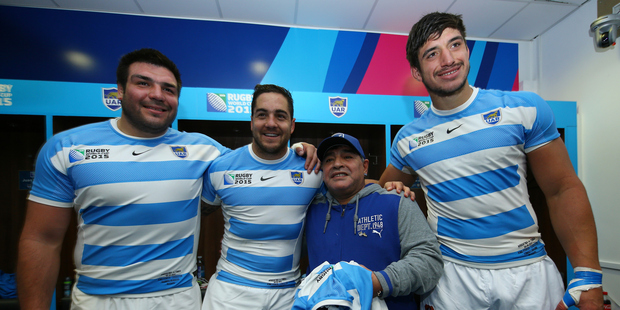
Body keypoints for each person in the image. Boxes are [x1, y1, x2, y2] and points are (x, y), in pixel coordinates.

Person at [16, 49, 318, 310]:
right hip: (99, 298)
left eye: (168, 89)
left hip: (177, 298)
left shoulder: (204, 150)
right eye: (143, 83)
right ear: (119, 89)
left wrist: (301, 150)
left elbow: (257, 161)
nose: (157, 95)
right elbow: (41, 240)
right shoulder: (65, 148)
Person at [378, 12, 603, 310]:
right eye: (433, 53)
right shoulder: (408, 139)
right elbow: (383, 196)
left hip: (528, 273)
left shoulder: (523, 108)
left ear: (467, 51)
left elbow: (562, 189)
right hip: (451, 278)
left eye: (455, 45)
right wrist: (398, 191)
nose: (448, 59)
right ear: (417, 71)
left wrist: (588, 275)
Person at [200, 84, 324, 310]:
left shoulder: (312, 170)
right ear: (251, 121)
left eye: (280, 116)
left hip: (287, 294)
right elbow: (194, 212)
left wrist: (389, 186)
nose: (271, 123)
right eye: (262, 115)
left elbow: (350, 190)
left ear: (292, 125)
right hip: (229, 293)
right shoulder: (220, 168)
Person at [302, 133, 443, 310]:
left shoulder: (397, 201)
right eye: (329, 160)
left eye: (348, 157)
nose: (337, 164)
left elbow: (429, 262)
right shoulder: (310, 210)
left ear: (365, 166)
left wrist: (377, 282)